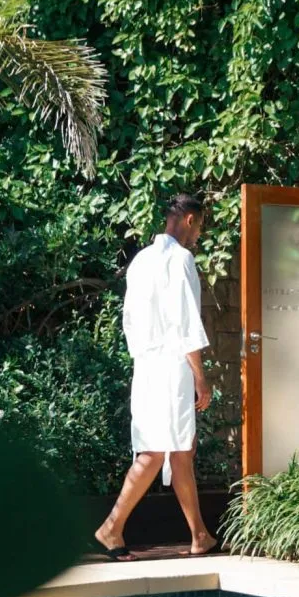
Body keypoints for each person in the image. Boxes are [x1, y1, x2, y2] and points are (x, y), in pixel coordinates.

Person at [94, 194, 219, 560]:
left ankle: (199, 535)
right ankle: (111, 528)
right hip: (170, 366)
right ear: (191, 220)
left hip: (146, 365)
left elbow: (129, 321)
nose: (198, 236)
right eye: (200, 227)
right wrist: (200, 377)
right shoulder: (180, 260)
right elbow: (185, 324)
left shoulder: (141, 261)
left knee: (181, 449)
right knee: (154, 451)